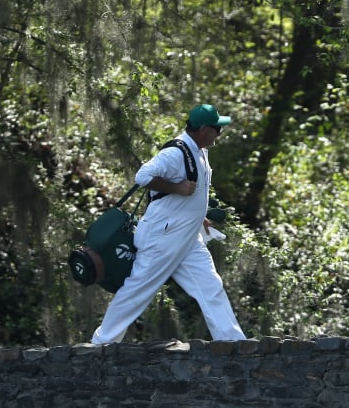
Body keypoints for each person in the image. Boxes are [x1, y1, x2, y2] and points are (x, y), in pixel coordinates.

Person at [90, 104, 247, 344]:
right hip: (162, 237)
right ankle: (102, 342)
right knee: (138, 290)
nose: (220, 133)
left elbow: (196, 191)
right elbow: (142, 176)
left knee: (210, 286)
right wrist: (176, 188)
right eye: (217, 128)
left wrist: (199, 216)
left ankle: (233, 342)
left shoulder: (201, 150)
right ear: (203, 129)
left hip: (187, 235)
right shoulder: (176, 153)